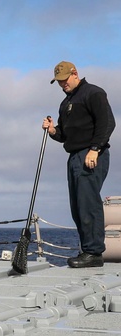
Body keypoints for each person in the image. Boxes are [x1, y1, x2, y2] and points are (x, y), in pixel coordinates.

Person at [43, 61, 115, 268]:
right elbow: (65, 135)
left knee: (87, 203)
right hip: (74, 156)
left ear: (75, 74)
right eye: (58, 81)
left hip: (91, 154)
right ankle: (87, 250)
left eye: (64, 80)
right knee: (77, 206)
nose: (62, 84)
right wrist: (53, 130)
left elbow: (107, 122)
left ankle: (94, 253)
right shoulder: (66, 103)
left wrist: (95, 149)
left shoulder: (93, 93)